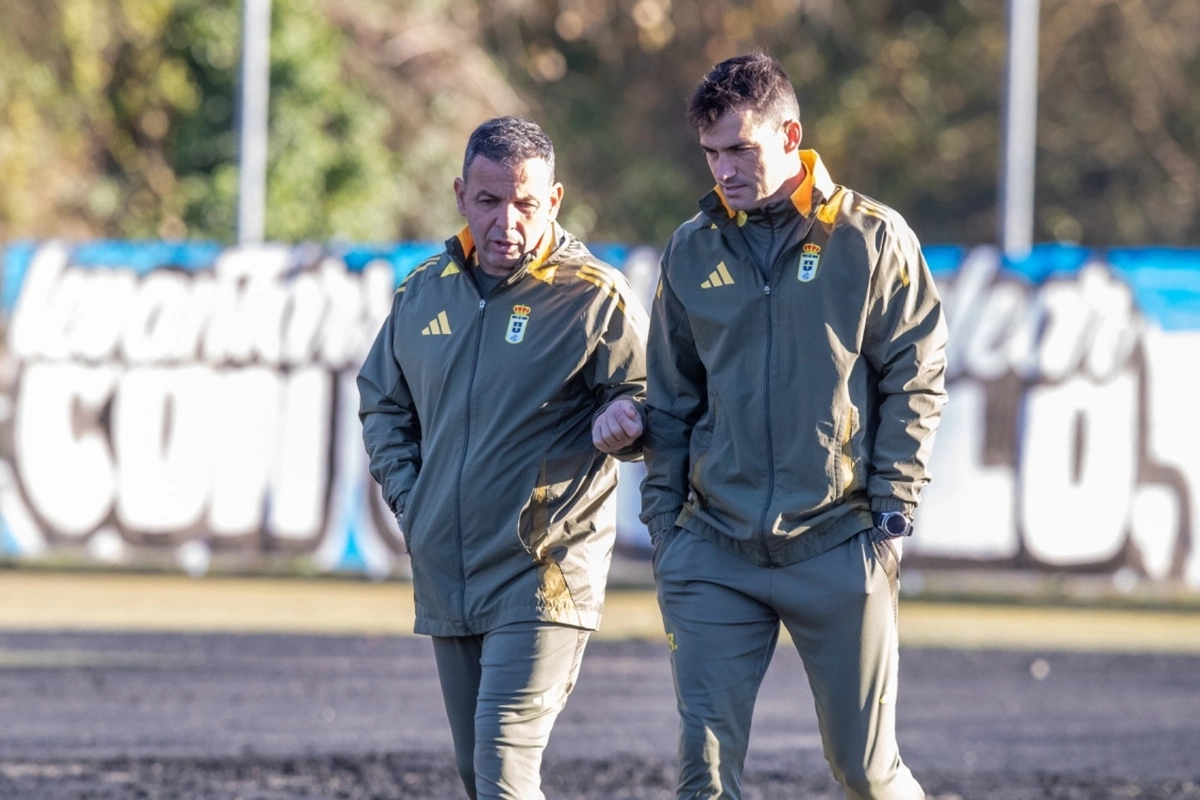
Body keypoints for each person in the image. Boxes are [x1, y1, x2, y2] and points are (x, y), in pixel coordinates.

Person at [618, 53, 948, 799]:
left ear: (790, 134)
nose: (724, 170)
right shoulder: (693, 247)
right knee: (703, 777)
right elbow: (672, 398)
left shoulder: (872, 238)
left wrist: (892, 514)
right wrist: (666, 525)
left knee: (866, 773)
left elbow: (916, 376)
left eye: (741, 149)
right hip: (712, 550)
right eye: (711, 153)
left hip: (840, 542)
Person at [358, 116, 648, 800]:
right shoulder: (423, 291)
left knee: (503, 771)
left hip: (543, 573)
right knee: (478, 775)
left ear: (554, 200)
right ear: (462, 195)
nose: (507, 221)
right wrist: (413, 497)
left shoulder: (592, 295)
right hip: (448, 569)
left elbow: (651, 400)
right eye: (490, 201)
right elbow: (382, 405)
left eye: (525, 202)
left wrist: (629, 420)